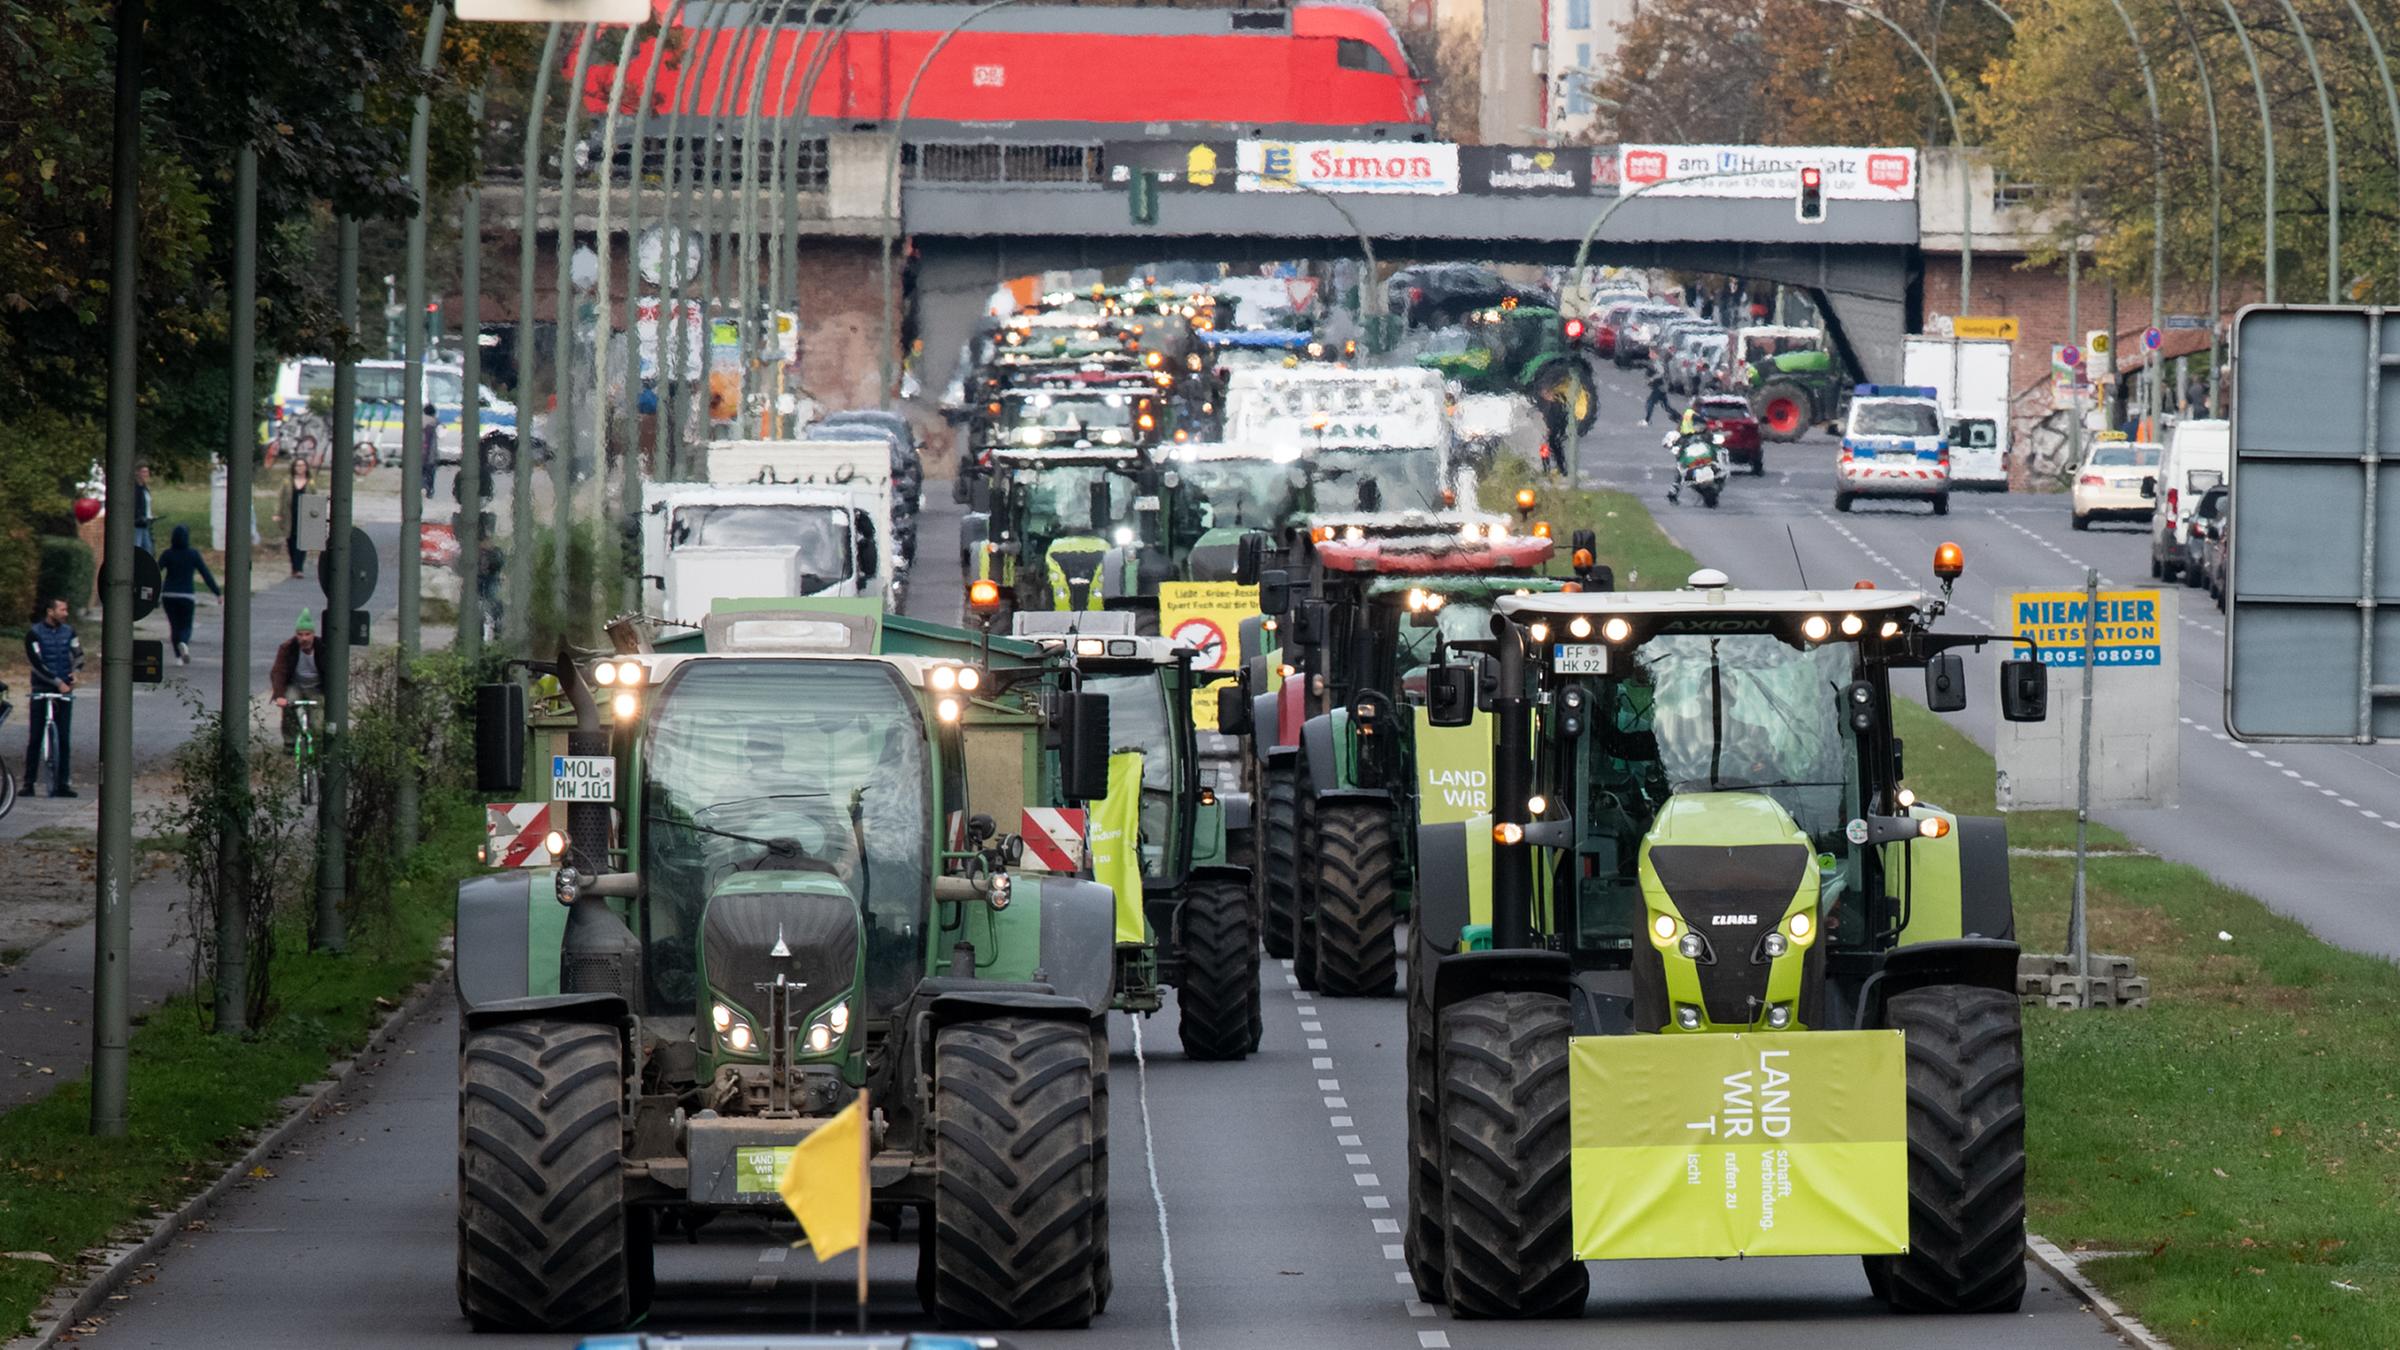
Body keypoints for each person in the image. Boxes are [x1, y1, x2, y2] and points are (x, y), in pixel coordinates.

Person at [22, 598, 80, 797]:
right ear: (50, 611)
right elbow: (36, 664)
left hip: (64, 690)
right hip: (42, 688)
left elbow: (78, 654)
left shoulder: (69, 632)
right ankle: (28, 782)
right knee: (35, 737)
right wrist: (58, 682)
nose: (65, 613)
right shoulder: (34, 634)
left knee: (64, 737)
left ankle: (62, 783)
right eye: (62, 609)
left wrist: (75, 672)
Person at [157, 524, 220, 665]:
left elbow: (155, 571)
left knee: (174, 626)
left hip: (169, 594)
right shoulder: (193, 554)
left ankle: (178, 658)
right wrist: (217, 592)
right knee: (186, 625)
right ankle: (184, 643)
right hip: (186, 595)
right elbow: (205, 574)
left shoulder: (167, 554)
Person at [270, 610, 326, 752]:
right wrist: (279, 695)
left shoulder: (323, 648)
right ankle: (290, 741)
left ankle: (317, 746)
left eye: (307, 634)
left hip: (317, 688)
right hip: (296, 685)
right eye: (300, 634)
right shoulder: (288, 648)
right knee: (289, 704)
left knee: (318, 722)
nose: (304, 638)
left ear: (313, 634)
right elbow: (278, 671)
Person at [276, 458, 314, 580]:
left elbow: (316, 501)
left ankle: (299, 568)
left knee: (302, 541)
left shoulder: (310, 483)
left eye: (302, 465)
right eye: (298, 466)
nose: (300, 468)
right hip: (289, 515)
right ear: (294, 468)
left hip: (305, 516)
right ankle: (294, 566)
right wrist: (278, 513)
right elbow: (281, 499)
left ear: (306, 467)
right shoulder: (287, 482)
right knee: (291, 540)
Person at [1641, 361, 1676, 426]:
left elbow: (1661, 374)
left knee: (1650, 403)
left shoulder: (1656, 366)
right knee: (1666, 407)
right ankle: (1678, 417)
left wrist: (1652, 379)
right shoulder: (1651, 369)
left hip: (1659, 389)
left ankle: (1647, 420)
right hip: (1660, 389)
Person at [132, 464, 155, 555]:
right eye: (144, 472)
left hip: (145, 524)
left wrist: (150, 516)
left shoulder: (145, 489)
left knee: (148, 549)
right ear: (137, 473)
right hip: (137, 524)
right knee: (137, 547)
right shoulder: (135, 489)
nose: (146, 474)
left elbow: (147, 505)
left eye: (147, 472)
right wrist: (139, 517)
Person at [420, 403, 441, 498]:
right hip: (430, 456)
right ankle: (429, 490)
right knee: (430, 473)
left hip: (419, 454)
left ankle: (421, 487)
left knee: (420, 472)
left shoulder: (418, 421)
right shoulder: (434, 424)